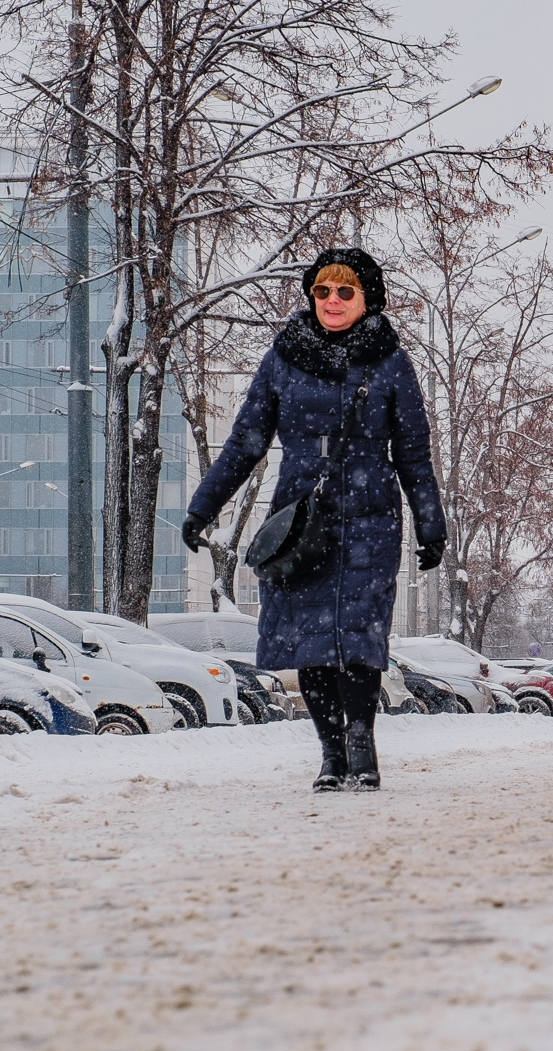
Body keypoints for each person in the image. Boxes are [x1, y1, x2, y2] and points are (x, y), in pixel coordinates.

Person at [183, 246, 444, 793]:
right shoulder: (283, 359)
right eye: (322, 291)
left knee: (361, 639)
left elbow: (414, 452)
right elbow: (245, 442)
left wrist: (430, 524)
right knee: (313, 643)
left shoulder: (390, 360)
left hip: (371, 517)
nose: (331, 300)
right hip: (304, 519)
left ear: (366, 298)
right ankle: (330, 752)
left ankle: (361, 744)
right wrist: (203, 507)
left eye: (344, 291)